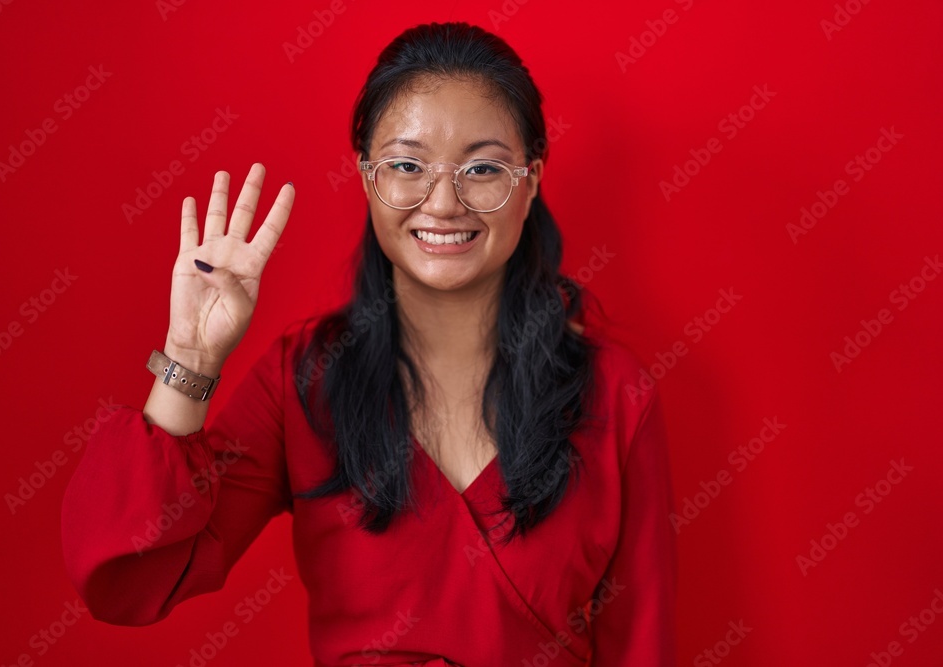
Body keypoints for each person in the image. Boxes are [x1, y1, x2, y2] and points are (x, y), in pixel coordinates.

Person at [61, 21, 677, 667]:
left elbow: (643, 642)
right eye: (407, 166)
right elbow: (131, 577)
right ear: (364, 174)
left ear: (531, 179)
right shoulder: (303, 380)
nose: (443, 202)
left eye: (484, 168)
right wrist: (189, 355)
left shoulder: (618, 395)